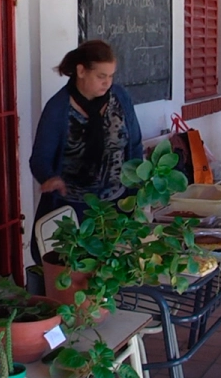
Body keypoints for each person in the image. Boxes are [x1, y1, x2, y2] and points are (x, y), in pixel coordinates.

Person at [29, 40, 143, 263]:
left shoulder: (120, 98)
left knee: (114, 268)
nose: (107, 83)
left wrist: (139, 185)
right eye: (101, 76)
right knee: (76, 272)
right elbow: (40, 158)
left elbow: (135, 144)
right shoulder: (58, 108)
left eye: (111, 76)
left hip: (116, 205)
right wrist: (49, 178)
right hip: (73, 209)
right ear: (81, 71)